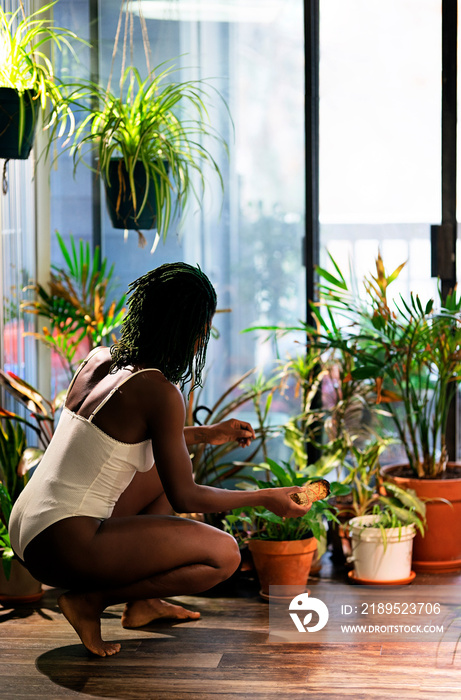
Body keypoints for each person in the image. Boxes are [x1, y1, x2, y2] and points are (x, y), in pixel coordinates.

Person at [8, 262, 311, 657]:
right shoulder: (161, 391)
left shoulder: (99, 360)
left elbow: (114, 444)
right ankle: (91, 601)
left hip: (27, 526)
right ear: (187, 330)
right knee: (225, 555)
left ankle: (143, 603)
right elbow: (186, 496)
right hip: (65, 544)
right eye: (203, 326)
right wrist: (266, 496)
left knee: (174, 458)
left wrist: (206, 434)